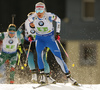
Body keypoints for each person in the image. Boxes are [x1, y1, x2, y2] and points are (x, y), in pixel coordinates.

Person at [25, 2, 79, 85]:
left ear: (44, 10)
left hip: (50, 39)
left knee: (59, 58)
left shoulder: (49, 15)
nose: (39, 13)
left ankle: (69, 78)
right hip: (39, 39)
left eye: (41, 10)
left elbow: (58, 20)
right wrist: (30, 34)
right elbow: (26, 23)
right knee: (40, 56)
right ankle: (43, 77)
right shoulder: (33, 17)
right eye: (37, 10)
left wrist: (58, 33)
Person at [17, 12, 56, 84]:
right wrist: (19, 42)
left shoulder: (40, 23)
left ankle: (48, 77)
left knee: (43, 59)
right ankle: (34, 75)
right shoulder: (25, 24)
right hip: (28, 43)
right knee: (30, 57)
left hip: (39, 42)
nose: (31, 21)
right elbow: (18, 33)